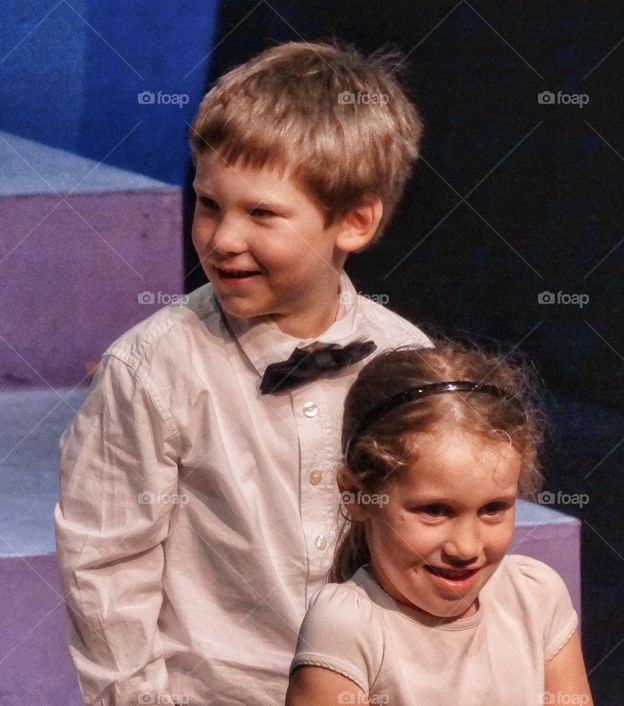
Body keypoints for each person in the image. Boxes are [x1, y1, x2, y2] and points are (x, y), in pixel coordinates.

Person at [55, 41, 429, 703]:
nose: (223, 238)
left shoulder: (405, 362)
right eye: (208, 204)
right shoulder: (153, 369)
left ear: (356, 221)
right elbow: (106, 566)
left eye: (261, 213)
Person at [286, 343, 592, 705]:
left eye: (493, 508)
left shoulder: (536, 596)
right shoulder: (348, 627)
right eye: (435, 510)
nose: (465, 547)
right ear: (356, 495)